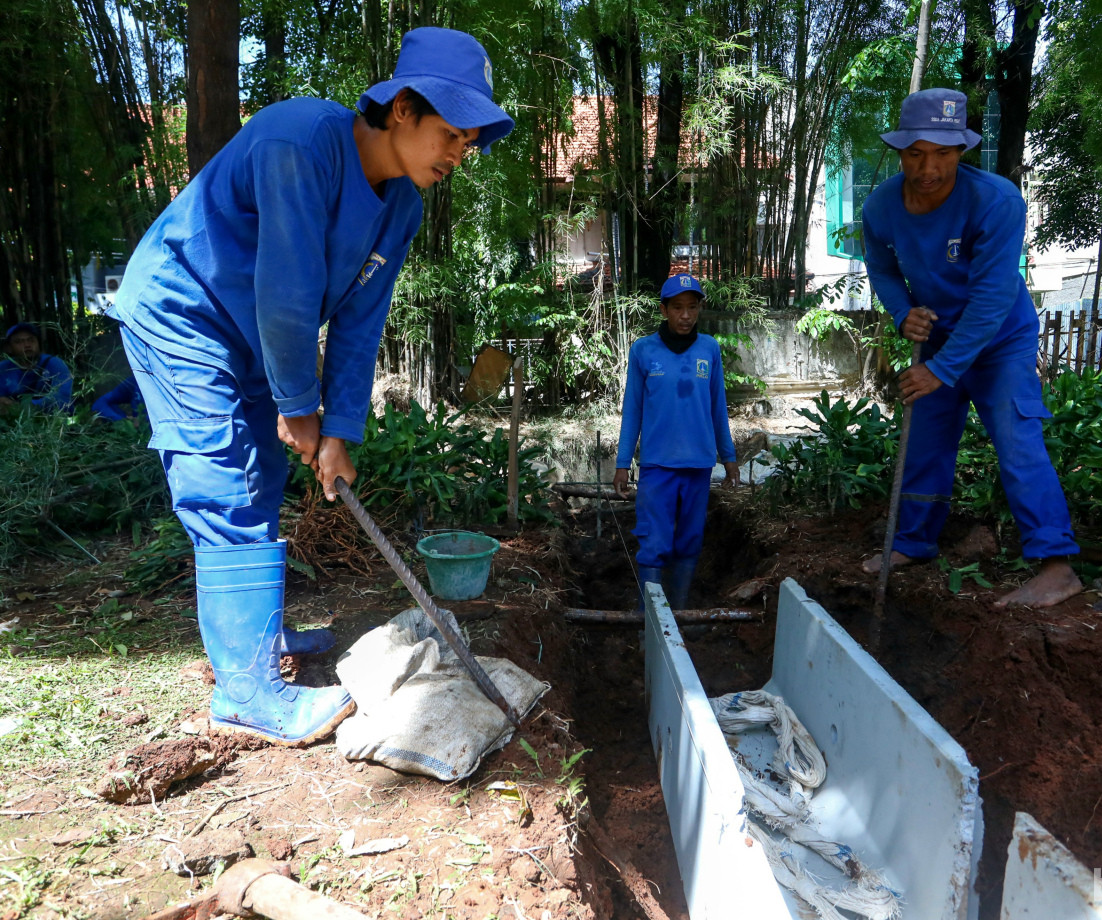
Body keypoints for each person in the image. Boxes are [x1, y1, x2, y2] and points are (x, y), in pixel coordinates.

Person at [109, 27, 514, 743]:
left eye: (469, 142)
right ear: (400, 110)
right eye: (451, 134)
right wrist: (300, 405)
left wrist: (339, 432)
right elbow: (289, 293)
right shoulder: (300, 140)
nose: (460, 154)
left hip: (256, 333)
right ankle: (247, 693)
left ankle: (255, 638)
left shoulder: (404, 207)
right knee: (223, 475)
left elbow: (360, 322)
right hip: (185, 312)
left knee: (263, 475)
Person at [861, 88, 1082, 609]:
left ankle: (1056, 566)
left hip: (1000, 338)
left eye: (942, 153)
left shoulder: (997, 201)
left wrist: (942, 369)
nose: (928, 167)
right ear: (900, 152)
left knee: (1016, 437)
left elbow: (992, 296)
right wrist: (901, 313)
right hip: (936, 334)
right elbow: (883, 269)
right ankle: (912, 543)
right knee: (924, 439)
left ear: (961, 150)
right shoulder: (881, 205)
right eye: (916, 153)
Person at [613, 273, 741, 610]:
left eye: (692, 307)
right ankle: (648, 625)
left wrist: (728, 457)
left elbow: (717, 407)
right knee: (653, 541)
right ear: (664, 309)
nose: (686, 315)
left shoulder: (709, 348)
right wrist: (623, 463)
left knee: (689, 541)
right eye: (678, 308)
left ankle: (679, 613)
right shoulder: (643, 350)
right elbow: (633, 410)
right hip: (657, 466)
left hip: (698, 465)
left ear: (699, 309)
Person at [0, 322, 74, 415]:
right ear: (9, 348)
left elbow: (62, 399)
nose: (27, 345)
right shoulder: (3, 368)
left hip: (54, 421)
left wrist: (23, 408)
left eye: (31, 340)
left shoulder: (54, 364)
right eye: (19, 341)